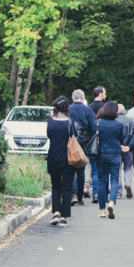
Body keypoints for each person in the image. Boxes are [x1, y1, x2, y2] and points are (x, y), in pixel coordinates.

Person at [46, 96, 74, 227]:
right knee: (67, 188)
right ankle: (64, 217)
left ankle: (56, 212)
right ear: (67, 108)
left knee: (55, 186)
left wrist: (52, 116)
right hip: (67, 159)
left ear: (55, 108)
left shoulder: (50, 122)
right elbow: (73, 137)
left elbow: (49, 136)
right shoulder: (70, 122)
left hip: (53, 158)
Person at [95, 101, 125, 219]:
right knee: (114, 179)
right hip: (114, 154)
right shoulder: (118, 125)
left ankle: (102, 210)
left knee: (102, 181)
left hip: (101, 154)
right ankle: (112, 202)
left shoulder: (97, 123)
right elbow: (121, 139)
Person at [68, 89, 96, 205]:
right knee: (81, 170)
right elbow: (93, 128)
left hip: (70, 142)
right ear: (83, 98)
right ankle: (79, 197)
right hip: (84, 144)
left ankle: (73, 193)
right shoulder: (88, 110)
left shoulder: (67, 109)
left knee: (70, 169)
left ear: (72, 98)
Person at [117, 104, 134, 199]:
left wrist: (119, 145)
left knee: (117, 170)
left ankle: (118, 192)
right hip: (128, 149)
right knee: (128, 168)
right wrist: (129, 146)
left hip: (117, 149)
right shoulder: (132, 121)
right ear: (124, 110)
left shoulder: (114, 121)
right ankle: (128, 184)